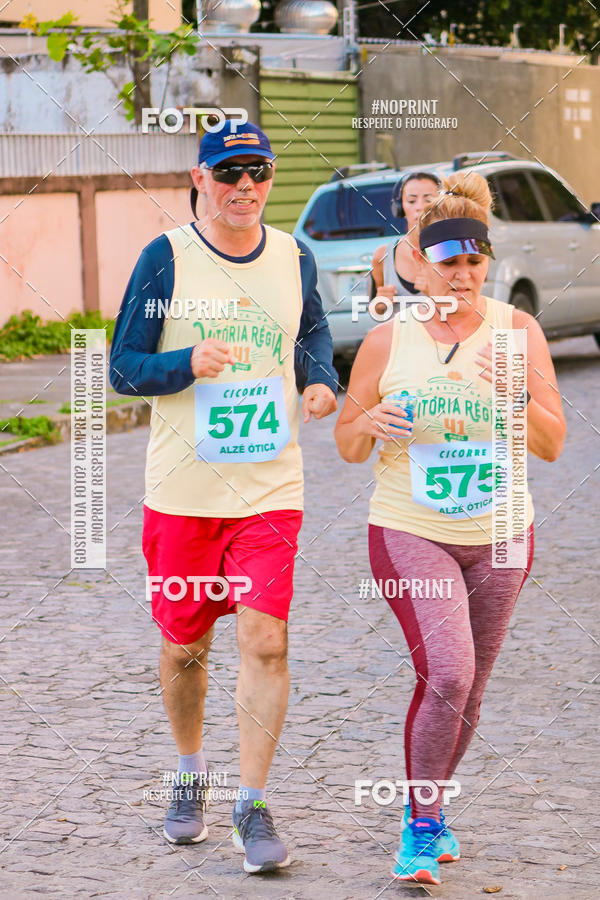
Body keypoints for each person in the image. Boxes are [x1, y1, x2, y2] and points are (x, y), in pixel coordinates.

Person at [109, 121, 338, 874]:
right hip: (183, 493)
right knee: (186, 648)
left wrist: (319, 381)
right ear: (201, 178)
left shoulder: (293, 255)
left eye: (259, 172)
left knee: (267, 640)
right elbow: (122, 369)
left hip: (271, 486)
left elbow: (310, 332)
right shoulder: (163, 259)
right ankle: (188, 775)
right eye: (229, 172)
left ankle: (251, 801)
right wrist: (185, 361)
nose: (246, 186)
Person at [334, 171, 565, 884]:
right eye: (448, 261)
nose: (461, 275)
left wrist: (516, 396)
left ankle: (430, 812)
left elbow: (553, 443)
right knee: (449, 671)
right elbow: (346, 441)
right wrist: (367, 422)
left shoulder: (518, 332)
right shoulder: (385, 340)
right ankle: (421, 826)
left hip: (501, 533)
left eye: (473, 261)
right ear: (422, 262)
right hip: (411, 528)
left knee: (474, 682)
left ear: (486, 262)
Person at [369, 171, 441, 314]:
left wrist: (435, 294)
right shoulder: (383, 255)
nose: (419, 207)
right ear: (400, 208)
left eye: (428, 200)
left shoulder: (451, 252)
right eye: (411, 201)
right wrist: (380, 304)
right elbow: (375, 311)